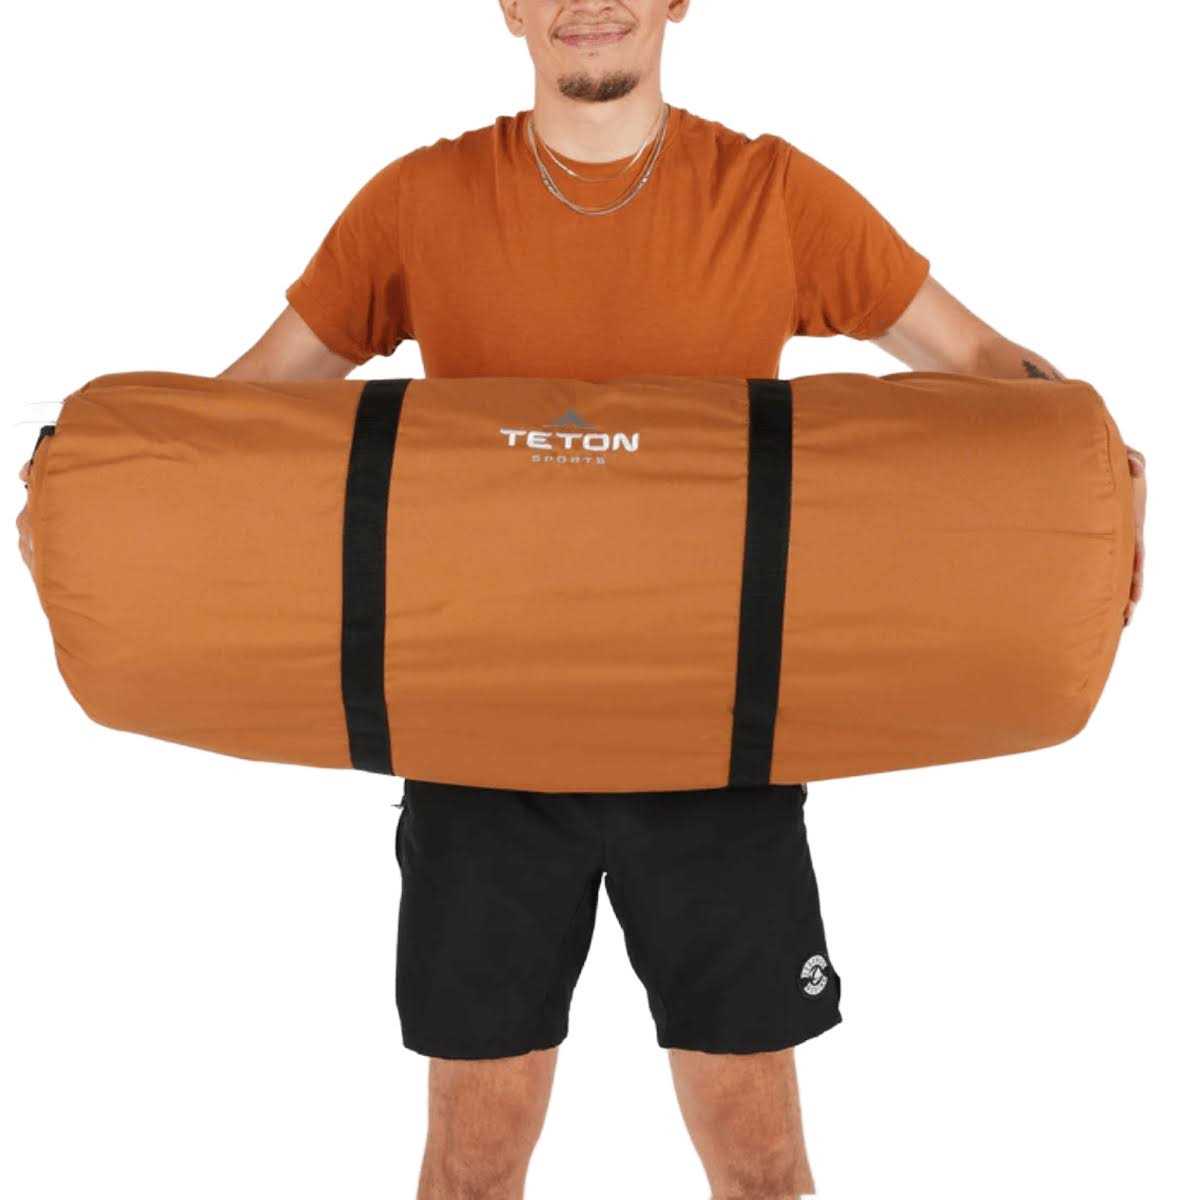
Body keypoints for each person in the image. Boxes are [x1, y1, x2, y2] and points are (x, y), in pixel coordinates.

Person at [14, 2, 1147, 1196]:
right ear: (509, 6)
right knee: (474, 1162)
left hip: (718, 752)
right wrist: (108, 515)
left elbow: (979, 368)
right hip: (483, 752)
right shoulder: (420, 200)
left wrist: (1101, 473)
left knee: (761, 1161)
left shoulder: (772, 193)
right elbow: (245, 413)